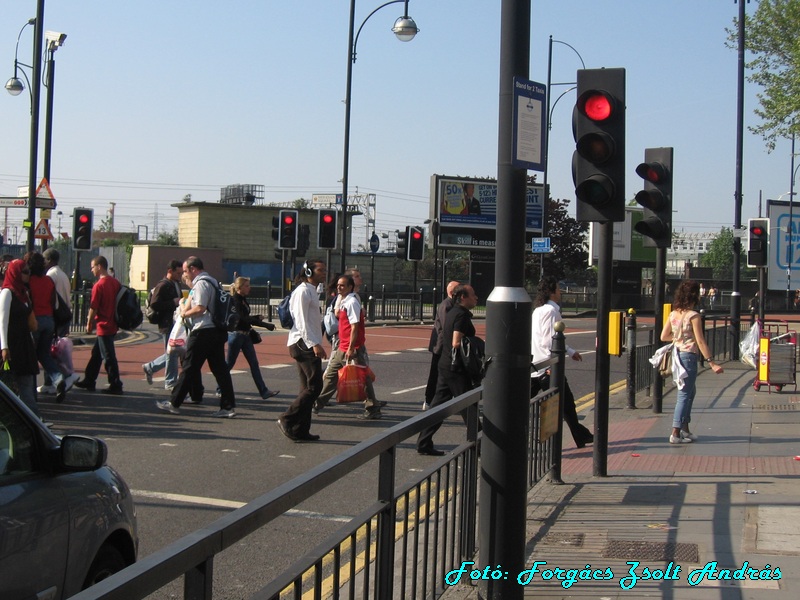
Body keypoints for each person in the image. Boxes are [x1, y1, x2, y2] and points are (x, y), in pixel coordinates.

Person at [155, 256, 237, 417]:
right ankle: (228, 406)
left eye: (186, 271)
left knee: (189, 366)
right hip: (216, 330)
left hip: (203, 330)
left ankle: (174, 402)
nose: (184, 274)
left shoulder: (201, 284)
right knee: (220, 369)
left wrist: (185, 314)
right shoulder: (212, 281)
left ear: (194, 269)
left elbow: (200, 308)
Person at [416, 284, 481, 456]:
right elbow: (456, 342)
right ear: (462, 297)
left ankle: (424, 442)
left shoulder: (453, 312)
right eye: (473, 295)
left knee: (438, 405)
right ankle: (482, 444)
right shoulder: (460, 315)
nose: (476, 298)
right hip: (456, 368)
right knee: (469, 405)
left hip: (445, 365)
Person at [530, 276, 594, 448]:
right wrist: (552, 365)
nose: (560, 292)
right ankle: (572, 439)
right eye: (558, 289)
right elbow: (552, 340)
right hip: (547, 367)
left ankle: (581, 436)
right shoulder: (552, 311)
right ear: (551, 292)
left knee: (564, 405)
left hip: (535, 365)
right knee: (566, 405)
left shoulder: (537, 310)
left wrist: (571, 351)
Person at [660, 280, 724, 444]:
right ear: (695, 295)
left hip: (678, 355)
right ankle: (675, 432)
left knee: (690, 392)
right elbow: (701, 341)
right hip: (688, 356)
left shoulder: (673, 313)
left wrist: (678, 339)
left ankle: (685, 429)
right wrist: (711, 362)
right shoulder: (694, 316)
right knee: (684, 394)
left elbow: (663, 336)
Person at [313, 275, 382, 419]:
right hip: (342, 346)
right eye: (338, 285)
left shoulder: (352, 302)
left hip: (352, 348)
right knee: (331, 376)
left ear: (350, 287)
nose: (339, 287)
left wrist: (351, 348)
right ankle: (317, 404)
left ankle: (372, 407)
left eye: (342, 285)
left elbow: (355, 326)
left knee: (362, 378)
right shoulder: (344, 301)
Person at [276, 259, 328, 442]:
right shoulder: (303, 291)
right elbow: (301, 321)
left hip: (305, 341)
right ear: (308, 272)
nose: (324, 273)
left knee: (306, 388)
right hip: (302, 342)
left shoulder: (312, 290)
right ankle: (287, 418)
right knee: (315, 386)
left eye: (324, 270)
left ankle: (301, 430)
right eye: (320, 270)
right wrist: (314, 343)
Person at [215, 276, 278, 400]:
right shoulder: (236, 300)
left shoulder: (243, 299)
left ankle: (264, 391)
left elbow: (245, 317)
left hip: (245, 335)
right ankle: (220, 388)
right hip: (237, 335)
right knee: (229, 364)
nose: (250, 288)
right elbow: (244, 318)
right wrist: (265, 325)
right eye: (247, 286)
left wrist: (256, 316)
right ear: (239, 288)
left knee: (254, 363)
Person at [74, 255, 124, 394]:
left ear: (99, 266)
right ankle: (89, 379)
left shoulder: (99, 285)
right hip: (113, 322)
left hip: (103, 324)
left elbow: (93, 307)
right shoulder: (115, 283)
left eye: (92, 267)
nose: (91, 270)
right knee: (97, 353)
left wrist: (89, 322)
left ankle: (115, 383)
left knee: (108, 356)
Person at [25, 251, 68, 403]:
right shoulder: (49, 281)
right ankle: (58, 379)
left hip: (34, 320)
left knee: (30, 358)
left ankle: (31, 396)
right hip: (49, 320)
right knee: (44, 355)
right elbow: (53, 303)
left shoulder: (29, 281)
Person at [0, 259, 40, 416]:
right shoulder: (7, 293)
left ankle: (33, 420)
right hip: (11, 345)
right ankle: (33, 420)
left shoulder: (24, 293)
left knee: (26, 385)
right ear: (15, 273)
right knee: (11, 387)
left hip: (24, 344)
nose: (28, 275)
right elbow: (2, 322)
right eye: (24, 272)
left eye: (28, 271)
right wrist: (4, 346)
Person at [142, 260, 184, 390]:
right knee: (172, 353)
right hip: (166, 323)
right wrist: (173, 302)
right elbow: (155, 304)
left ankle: (151, 367)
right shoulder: (163, 285)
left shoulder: (175, 284)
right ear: (170, 271)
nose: (180, 275)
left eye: (181, 272)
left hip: (175, 323)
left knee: (172, 352)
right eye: (178, 272)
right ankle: (170, 381)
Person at [424, 280, 460, 410]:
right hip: (440, 345)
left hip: (442, 345)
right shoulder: (447, 305)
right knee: (436, 373)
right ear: (452, 292)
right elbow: (446, 328)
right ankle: (429, 400)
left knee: (444, 374)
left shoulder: (451, 304)